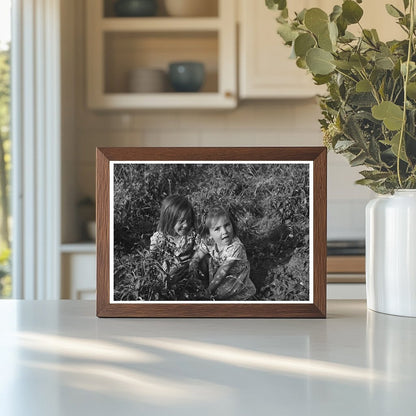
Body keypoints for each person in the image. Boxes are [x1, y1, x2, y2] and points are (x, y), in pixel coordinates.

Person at [190, 206, 256, 300]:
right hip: (218, 270)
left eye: (227, 225)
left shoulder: (235, 246)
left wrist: (208, 292)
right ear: (209, 234)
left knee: (218, 296)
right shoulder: (209, 240)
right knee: (202, 260)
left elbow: (222, 273)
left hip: (233, 278)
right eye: (217, 229)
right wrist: (191, 269)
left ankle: (244, 295)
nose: (224, 232)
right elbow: (198, 255)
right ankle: (204, 284)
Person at [149, 195, 198, 285]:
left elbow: (200, 252)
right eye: (181, 221)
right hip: (165, 277)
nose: (186, 225)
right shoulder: (159, 238)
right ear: (170, 220)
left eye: (189, 220)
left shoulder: (191, 235)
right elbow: (151, 259)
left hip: (186, 275)